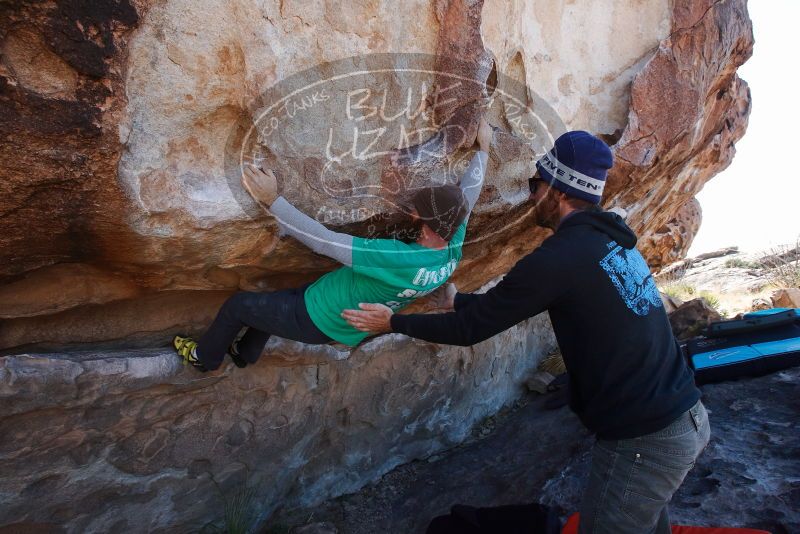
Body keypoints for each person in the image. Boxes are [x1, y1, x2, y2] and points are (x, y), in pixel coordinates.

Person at [342, 130, 709, 534]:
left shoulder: (558, 258)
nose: (531, 196)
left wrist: (391, 322)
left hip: (645, 439)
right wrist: (460, 301)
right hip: (682, 416)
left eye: (536, 185)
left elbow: (469, 331)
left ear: (558, 190)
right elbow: (504, 306)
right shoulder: (610, 244)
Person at [172, 118, 493, 372]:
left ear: (425, 223)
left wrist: (274, 201)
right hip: (331, 308)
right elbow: (470, 193)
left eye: (417, 211)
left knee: (239, 307)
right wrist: (484, 149)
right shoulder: (452, 244)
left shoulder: (397, 258)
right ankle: (244, 354)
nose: (410, 212)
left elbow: (327, 242)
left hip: (318, 317)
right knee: (269, 306)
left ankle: (205, 358)